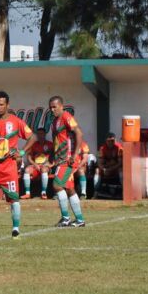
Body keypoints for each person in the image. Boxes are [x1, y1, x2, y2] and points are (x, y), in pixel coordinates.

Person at [0, 91, 33, 239]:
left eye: (1, 104)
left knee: (14, 199)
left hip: (9, 169)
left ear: (8, 105)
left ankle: (16, 229)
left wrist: (21, 153)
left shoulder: (16, 121)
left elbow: (32, 137)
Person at [49, 96, 86, 227]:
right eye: (51, 108)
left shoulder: (66, 116)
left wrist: (75, 155)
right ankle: (80, 220)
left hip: (68, 159)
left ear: (61, 106)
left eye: (55, 107)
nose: (52, 110)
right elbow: (57, 141)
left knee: (57, 185)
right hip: (60, 159)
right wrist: (52, 158)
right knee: (69, 189)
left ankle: (65, 218)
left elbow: (79, 133)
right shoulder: (54, 122)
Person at [20, 128, 53, 200]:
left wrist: (51, 164)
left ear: (45, 134)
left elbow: (55, 155)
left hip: (45, 166)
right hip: (36, 165)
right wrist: (34, 164)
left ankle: (43, 193)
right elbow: (29, 156)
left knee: (44, 169)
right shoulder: (34, 144)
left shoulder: (50, 144)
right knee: (27, 170)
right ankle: (27, 193)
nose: (40, 135)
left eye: (42, 133)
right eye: (38, 134)